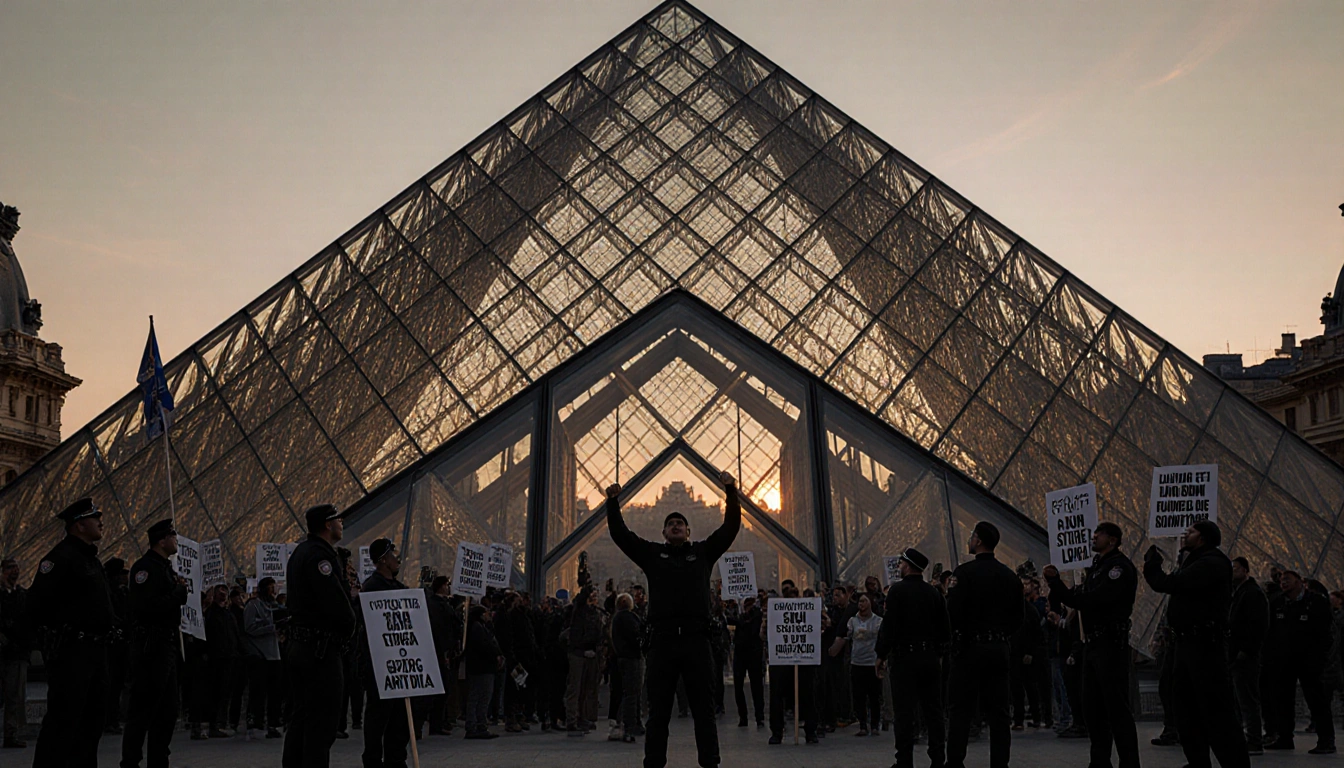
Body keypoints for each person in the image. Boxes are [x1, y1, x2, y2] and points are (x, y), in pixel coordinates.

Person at [606, 471, 741, 768]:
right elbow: (621, 536)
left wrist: (731, 491)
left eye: (680, 523)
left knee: (704, 709)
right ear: (664, 533)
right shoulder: (653, 555)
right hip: (663, 641)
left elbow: (730, 527)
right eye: (671, 524)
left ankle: (710, 762)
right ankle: (653, 762)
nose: (676, 526)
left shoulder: (704, 553)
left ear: (688, 532)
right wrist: (612, 502)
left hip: (696, 639)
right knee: (659, 710)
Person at [1142, 521, 1249, 768]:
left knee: (1216, 711)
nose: (1184, 534)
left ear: (1203, 537)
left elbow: (1169, 584)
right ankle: (1198, 761)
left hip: (1204, 646)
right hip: (1187, 643)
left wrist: (1152, 565)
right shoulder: (1195, 560)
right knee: (1185, 709)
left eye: (1190, 532)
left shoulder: (1211, 562)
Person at [27, 498, 117, 768]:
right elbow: (37, 605)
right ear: (79, 525)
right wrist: (58, 639)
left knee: (92, 723)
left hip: (95, 652)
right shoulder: (59, 558)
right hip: (72, 654)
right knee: (63, 722)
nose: (101, 521)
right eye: (95, 517)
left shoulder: (91, 559)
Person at [1043, 521, 1139, 768]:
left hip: (1111, 644)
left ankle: (1129, 762)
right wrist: (1055, 584)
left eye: (1100, 534)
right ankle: (1099, 761)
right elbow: (1079, 598)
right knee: (1093, 709)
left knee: (1117, 709)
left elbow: (1092, 600)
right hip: (1094, 644)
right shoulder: (1097, 567)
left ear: (1113, 540)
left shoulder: (1118, 568)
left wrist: (1060, 587)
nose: (1093, 537)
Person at [945, 521, 1024, 768]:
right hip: (998, 648)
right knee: (1000, 713)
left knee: (961, 710)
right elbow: (1018, 618)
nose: (969, 540)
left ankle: (955, 761)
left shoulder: (963, 573)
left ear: (978, 540)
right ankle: (1000, 763)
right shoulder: (1009, 576)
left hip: (969, 649)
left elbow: (953, 613)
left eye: (971, 536)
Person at [283, 504, 357, 768]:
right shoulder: (320, 557)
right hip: (320, 650)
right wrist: (349, 628)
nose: (342, 522)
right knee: (321, 723)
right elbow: (336, 604)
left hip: (303, 646)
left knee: (302, 717)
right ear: (328, 524)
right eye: (338, 519)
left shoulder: (303, 552)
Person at [120, 519, 188, 768]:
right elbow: (147, 607)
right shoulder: (146, 568)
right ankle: (130, 762)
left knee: (168, 710)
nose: (176, 540)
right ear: (161, 540)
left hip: (165, 645)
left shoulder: (163, 567)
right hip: (151, 647)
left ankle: (159, 760)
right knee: (143, 709)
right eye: (172, 536)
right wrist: (178, 595)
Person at [875, 547, 950, 768]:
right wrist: (938, 653)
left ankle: (904, 760)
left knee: (904, 712)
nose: (899, 567)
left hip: (904, 659)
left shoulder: (897, 592)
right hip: (929, 658)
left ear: (907, 566)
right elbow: (944, 629)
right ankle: (938, 758)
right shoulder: (934, 593)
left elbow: (889, 626)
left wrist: (881, 654)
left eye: (901, 564)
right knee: (933, 711)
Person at [1264, 567, 1335, 753]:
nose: (1283, 582)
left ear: (1299, 581)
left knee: (1316, 701)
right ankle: (1285, 737)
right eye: (1281, 579)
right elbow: (1270, 632)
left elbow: (1326, 632)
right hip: (1283, 661)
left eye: (1287, 578)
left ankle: (1326, 740)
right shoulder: (1277, 602)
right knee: (1283, 700)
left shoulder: (1316, 602)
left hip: (1309, 661)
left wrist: (1319, 657)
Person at [359, 538, 411, 768]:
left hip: (400, 664)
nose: (397, 558)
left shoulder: (400, 589)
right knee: (378, 716)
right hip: (379, 665)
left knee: (400, 717)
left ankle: (396, 759)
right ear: (382, 560)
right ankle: (372, 760)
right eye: (393, 554)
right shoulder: (371, 588)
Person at [766, 580, 818, 745]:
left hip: (803, 660)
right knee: (777, 697)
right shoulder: (774, 613)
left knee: (807, 695)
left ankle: (810, 731)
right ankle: (777, 732)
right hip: (781, 660)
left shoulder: (810, 612)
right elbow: (764, 635)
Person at [1226, 556, 1269, 755]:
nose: (1231, 572)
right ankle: (1248, 737)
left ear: (1245, 570)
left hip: (1245, 655)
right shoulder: (1240, 592)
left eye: (1234, 569)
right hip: (1238, 653)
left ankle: (1254, 740)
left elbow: (1258, 625)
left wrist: (1246, 650)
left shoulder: (1252, 593)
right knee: (1241, 698)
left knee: (1248, 699)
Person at [244, 577, 286, 739]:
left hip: (274, 654)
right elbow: (249, 627)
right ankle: (256, 721)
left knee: (275, 692)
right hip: (259, 654)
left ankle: (273, 724)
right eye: (270, 588)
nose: (273, 591)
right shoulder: (253, 605)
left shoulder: (275, 606)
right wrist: (271, 627)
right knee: (258, 692)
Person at [1, 556, 32, 749]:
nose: (15, 571)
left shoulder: (21, 594)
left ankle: (11, 734)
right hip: (5, 650)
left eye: (17, 568)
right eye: (10, 568)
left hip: (18, 652)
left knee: (15, 696)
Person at [841, 593, 883, 736]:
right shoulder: (852, 621)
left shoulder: (878, 621)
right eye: (860, 601)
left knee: (874, 695)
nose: (861, 604)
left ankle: (875, 724)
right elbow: (847, 637)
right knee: (859, 695)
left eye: (865, 601)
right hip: (857, 661)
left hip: (872, 661)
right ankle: (863, 724)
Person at [727, 595, 765, 728]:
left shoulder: (756, 614)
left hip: (753, 653)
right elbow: (729, 620)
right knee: (738, 686)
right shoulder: (737, 612)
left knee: (756, 686)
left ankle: (759, 716)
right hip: (740, 653)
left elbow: (748, 624)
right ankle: (743, 716)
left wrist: (742, 616)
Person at [612, 592, 645, 743]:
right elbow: (636, 635)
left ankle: (633, 723)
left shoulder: (617, 618)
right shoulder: (629, 618)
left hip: (623, 657)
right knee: (633, 692)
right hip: (632, 658)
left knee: (630, 692)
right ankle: (630, 725)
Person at [104, 557, 130, 736]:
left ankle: (114, 718)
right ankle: (109, 719)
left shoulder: (124, 593)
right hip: (111, 645)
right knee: (111, 684)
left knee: (118, 683)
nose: (125, 577)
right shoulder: (109, 593)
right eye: (122, 574)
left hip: (123, 644)